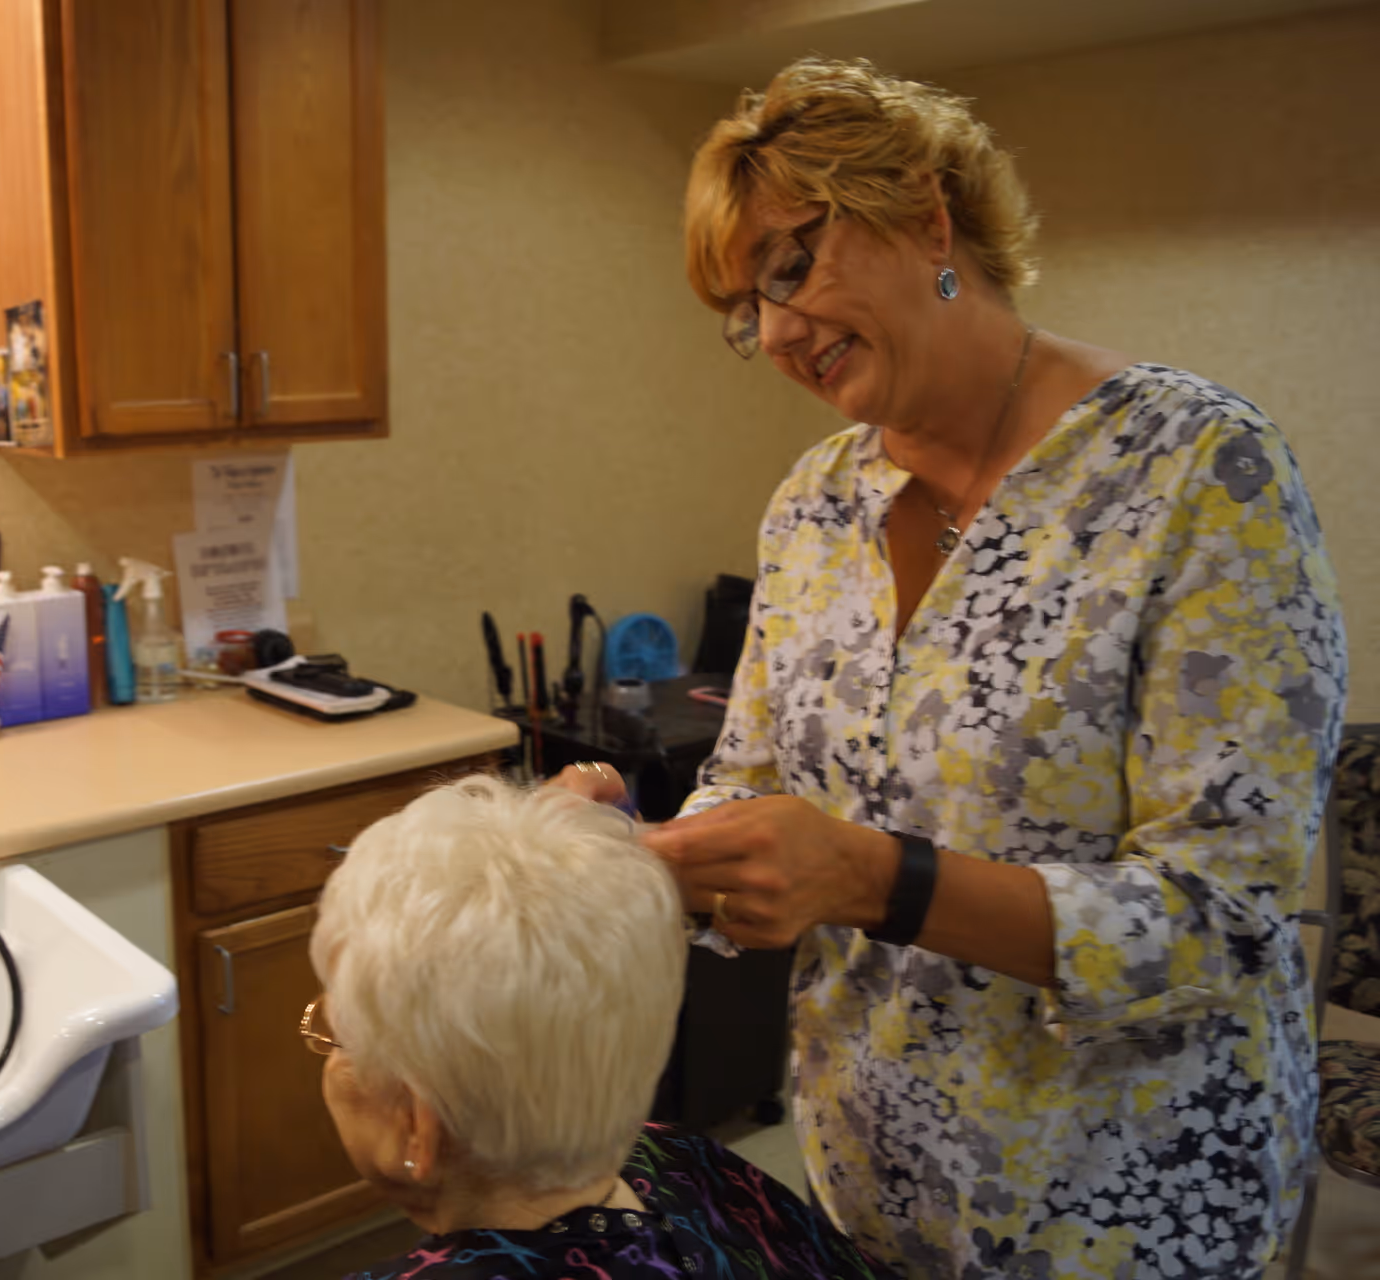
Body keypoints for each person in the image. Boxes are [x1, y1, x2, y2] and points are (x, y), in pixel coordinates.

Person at [558, 57, 1347, 1278]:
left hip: (1123, 1201)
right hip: (868, 1174)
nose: (774, 331)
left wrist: (880, 880)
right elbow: (755, 776)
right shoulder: (814, 507)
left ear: (926, 216)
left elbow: (1225, 918)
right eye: (743, 307)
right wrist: (644, 853)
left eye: (789, 266)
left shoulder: (1195, 469)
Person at [310, 775, 897, 1280]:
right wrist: (592, 774)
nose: (327, 1054)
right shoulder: (684, 1159)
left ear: (420, 1126)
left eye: (331, 1034)